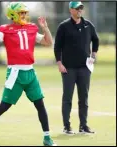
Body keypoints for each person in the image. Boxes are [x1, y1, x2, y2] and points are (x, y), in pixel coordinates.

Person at [0, 2, 56, 146]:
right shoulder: (6, 29)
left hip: (30, 72)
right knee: (4, 106)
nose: (24, 15)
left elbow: (48, 41)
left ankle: (47, 137)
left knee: (40, 105)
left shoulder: (31, 28)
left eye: (25, 13)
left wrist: (45, 28)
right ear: (13, 14)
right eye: (21, 13)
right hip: (15, 73)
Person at [54, 1, 99, 135]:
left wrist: (94, 53)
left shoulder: (88, 25)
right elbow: (57, 47)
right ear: (71, 10)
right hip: (68, 68)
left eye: (81, 8)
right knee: (67, 97)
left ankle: (83, 126)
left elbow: (95, 40)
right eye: (77, 8)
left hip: (85, 68)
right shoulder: (64, 26)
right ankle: (67, 126)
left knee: (83, 98)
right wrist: (59, 63)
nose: (80, 10)